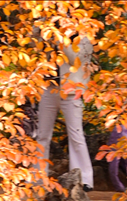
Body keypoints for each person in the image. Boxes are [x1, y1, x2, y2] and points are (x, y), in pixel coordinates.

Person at [36, 33, 94, 191]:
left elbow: (75, 58)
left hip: (71, 91)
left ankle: (84, 179)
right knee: (42, 135)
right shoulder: (50, 30)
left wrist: (61, 39)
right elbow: (36, 45)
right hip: (48, 89)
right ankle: (37, 178)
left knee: (76, 135)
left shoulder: (83, 36)